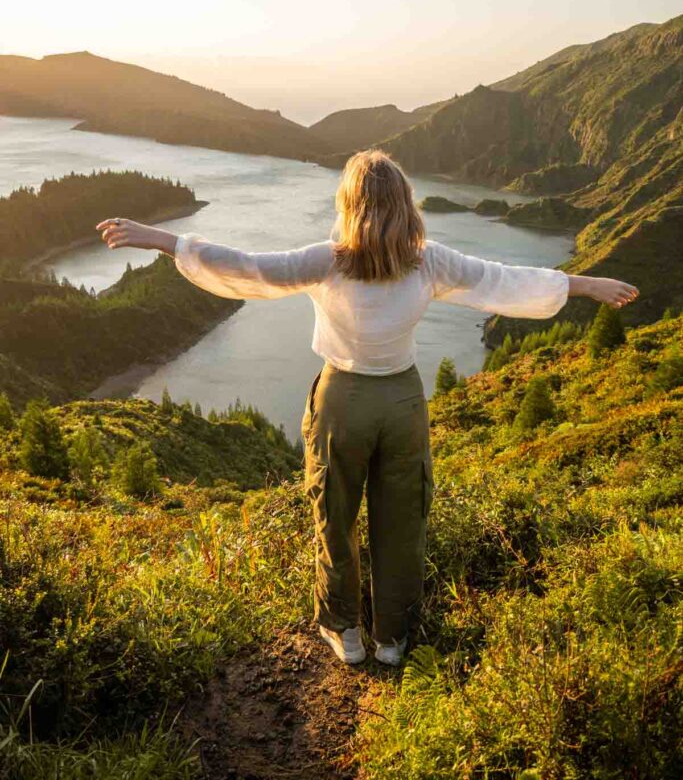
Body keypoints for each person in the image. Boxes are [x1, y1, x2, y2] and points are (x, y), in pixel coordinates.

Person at [96, 149, 639, 667]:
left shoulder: (327, 261)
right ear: (405, 204)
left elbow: (247, 267)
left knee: (335, 515)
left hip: (343, 401)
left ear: (349, 206)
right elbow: (501, 280)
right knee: (402, 520)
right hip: (403, 403)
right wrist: (584, 284)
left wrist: (162, 240)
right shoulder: (428, 263)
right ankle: (393, 638)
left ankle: (344, 630)